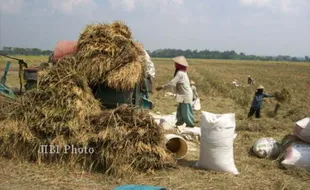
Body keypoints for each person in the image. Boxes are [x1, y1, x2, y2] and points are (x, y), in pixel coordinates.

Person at [156, 56, 195, 127]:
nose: (175, 64)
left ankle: (191, 124)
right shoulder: (182, 72)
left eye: (176, 63)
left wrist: (162, 87)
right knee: (180, 111)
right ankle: (179, 124)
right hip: (183, 94)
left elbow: (172, 83)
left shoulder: (180, 73)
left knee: (186, 112)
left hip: (185, 95)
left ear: (179, 64)